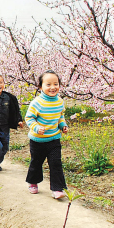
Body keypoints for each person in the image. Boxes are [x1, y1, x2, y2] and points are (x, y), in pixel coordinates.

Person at [25, 70, 68, 199]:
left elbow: (60, 116)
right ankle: (33, 182)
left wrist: (63, 125)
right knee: (36, 162)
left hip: (54, 139)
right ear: (40, 87)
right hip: (37, 140)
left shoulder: (60, 102)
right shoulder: (37, 103)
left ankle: (57, 189)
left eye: (55, 84)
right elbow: (29, 118)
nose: (52, 87)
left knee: (56, 163)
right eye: (48, 84)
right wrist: (36, 127)